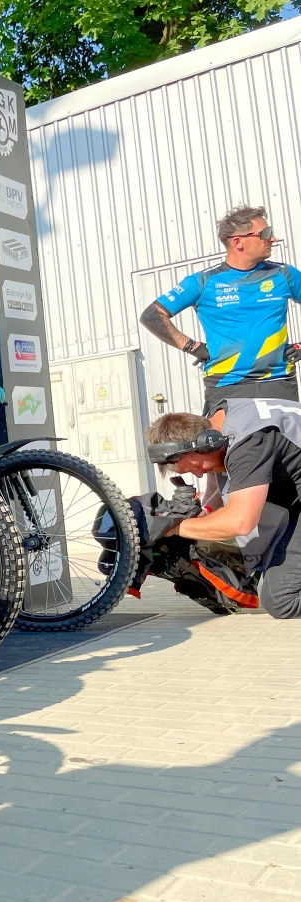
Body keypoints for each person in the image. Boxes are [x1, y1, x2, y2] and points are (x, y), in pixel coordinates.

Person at [144, 403, 301, 620]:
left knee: (282, 600)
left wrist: (174, 527)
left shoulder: (249, 443)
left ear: (207, 443)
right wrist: (206, 511)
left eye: (198, 467)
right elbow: (222, 482)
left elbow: (240, 522)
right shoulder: (217, 421)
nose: (198, 475)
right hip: (294, 500)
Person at [140, 206, 301, 413]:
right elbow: (152, 315)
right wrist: (192, 346)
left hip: (279, 382)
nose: (273, 238)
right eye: (265, 234)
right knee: (231, 446)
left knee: (288, 445)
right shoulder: (204, 281)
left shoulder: (284, 274)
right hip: (227, 386)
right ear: (238, 242)